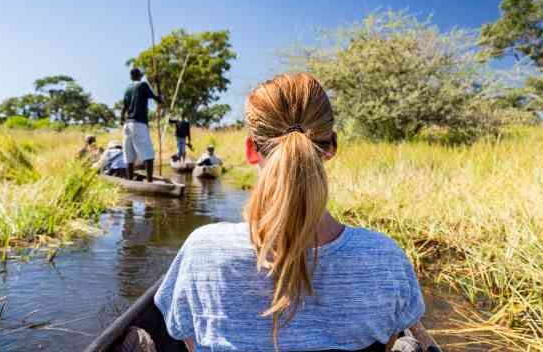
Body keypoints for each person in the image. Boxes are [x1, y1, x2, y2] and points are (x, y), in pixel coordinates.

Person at [154, 73, 425, 352]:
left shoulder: (203, 251)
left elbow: (190, 342)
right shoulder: (386, 257)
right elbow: (387, 343)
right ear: (331, 146)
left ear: (250, 149)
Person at [120, 67, 163, 182]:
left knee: (129, 156)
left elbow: (124, 107)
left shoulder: (127, 88)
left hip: (127, 125)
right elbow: (159, 99)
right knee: (149, 155)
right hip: (138, 124)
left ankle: (130, 182)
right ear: (140, 76)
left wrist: (121, 120)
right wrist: (157, 84)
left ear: (131, 77)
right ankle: (149, 182)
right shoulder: (143, 85)